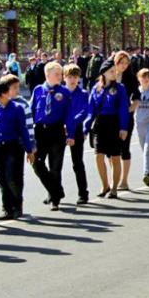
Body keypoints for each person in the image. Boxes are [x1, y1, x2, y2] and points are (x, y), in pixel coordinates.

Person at [30, 61, 75, 211]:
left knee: (56, 166)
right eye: (57, 74)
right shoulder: (38, 90)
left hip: (56, 131)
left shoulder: (64, 91)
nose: (60, 76)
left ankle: (54, 199)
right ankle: (56, 190)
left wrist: (70, 133)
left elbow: (69, 114)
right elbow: (31, 112)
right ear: (47, 74)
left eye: (61, 74)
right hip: (40, 132)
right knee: (37, 163)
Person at [0, 80, 35, 220]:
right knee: (0, 177)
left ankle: (16, 205)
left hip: (13, 146)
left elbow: (23, 130)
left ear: (4, 94)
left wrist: (29, 149)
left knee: (11, 177)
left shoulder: (16, 108)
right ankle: (7, 207)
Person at [86, 59, 129, 198]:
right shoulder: (95, 88)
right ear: (103, 73)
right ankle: (104, 185)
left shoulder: (120, 88)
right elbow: (90, 110)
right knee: (98, 156)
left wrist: (123, 127)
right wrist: (85, 128)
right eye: (111, 71)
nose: (114, 73)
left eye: (115, 71)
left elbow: (123, 109)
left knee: (115, 157)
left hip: (114, 123)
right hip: (99, 124)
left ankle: (114, 188)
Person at [114, 51, 141, 189]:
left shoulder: (130, 78)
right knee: (112, 150)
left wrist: (131, 108)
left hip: (125, 118)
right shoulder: (109, 76)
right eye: (121, 62)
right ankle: (114, 179)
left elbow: (137, 95)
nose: (123, 66)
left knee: (124, 148)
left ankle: (124, 180)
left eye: (126, 63)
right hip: (111, 118)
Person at [64, 64, 90, 204]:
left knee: (77, 163)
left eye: (75, 77)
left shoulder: (83, 93)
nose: (72, 80)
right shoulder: (60, 93)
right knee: (56, 163)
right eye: (69, 77)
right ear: (64, 78)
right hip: (61, 130)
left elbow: (84, 111)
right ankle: (54, 193)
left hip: (76, 129)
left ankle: (83, 193)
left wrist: (71, 123)